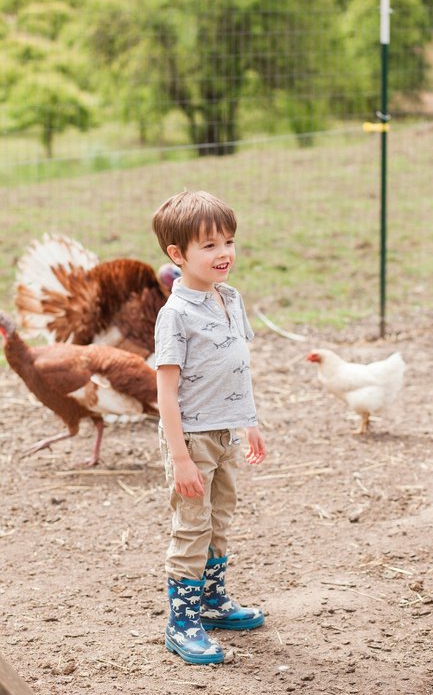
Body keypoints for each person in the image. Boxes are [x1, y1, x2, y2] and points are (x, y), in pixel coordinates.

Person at [151, 190, 268, 665]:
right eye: (209, 246)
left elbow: (238, 365)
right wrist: (180, 457)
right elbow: (165, 393)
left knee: (220, 519)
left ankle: (213, 603)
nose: (224, 254)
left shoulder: (231, 299)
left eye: (229, 242)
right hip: (193, 439)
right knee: (192, 526)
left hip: (226, 434)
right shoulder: (175, 316)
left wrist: (250, 421)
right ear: (177, 255)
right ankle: (182, 623)